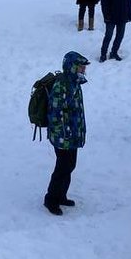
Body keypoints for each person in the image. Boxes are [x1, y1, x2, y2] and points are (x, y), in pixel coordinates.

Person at [44, 51, 89, 216]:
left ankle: (61, 195)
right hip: (63, 136)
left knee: (70, 165)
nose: (84, 70)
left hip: (72, 135)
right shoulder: (62, 85)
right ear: (72, 67)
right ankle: (51, 199)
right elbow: (55, 112)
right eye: (81, 67)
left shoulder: (75, 82)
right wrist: (65, 132)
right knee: (62, 167)